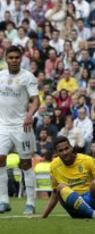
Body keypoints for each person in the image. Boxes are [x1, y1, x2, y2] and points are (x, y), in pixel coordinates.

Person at [0, 46, 40, 215]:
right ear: (6, 58)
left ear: (21, 58)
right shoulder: (0, 76)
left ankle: (30, 202)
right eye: (11, 57)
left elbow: (36, 100)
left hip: (22, 126)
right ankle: (3, 201)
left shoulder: (27, 77)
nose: (14, 60)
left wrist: (30, 114)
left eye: (17, 57)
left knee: (25, 164)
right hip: (2, 126)